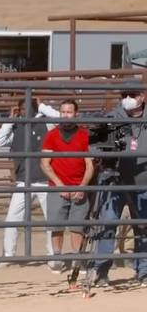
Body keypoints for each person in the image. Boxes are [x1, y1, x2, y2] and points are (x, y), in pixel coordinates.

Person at [88, 90, 147, 287]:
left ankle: (144, 271)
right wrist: (106, 152)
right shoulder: (112, 118)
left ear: (142, 97)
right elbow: (94, 144)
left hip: (142, 182)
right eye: (124, 96)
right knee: (108, 223)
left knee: (142, 227)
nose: (127, 99)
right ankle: (101, 270)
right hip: (113, 180)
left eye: (132, 95)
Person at [0, 97, 59, 266]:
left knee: (50, 220)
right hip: (24, 181)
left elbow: (60, 118)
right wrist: (10, 119)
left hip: (45, 180)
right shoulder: (17, 127)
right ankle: (9, 255)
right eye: (21, 109)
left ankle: (52, 255)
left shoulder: (47, 124)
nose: (24, 111)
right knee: (12, 218)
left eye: (28, 108)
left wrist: (43, 106)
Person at [40, 99, 94, 272]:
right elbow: (45, 163)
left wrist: (82, 186)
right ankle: (57, 258)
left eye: (69, 111)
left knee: (78, 226)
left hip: (79, 186)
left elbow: (90, 165)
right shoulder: (52, 135)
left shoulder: (85, 135)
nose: (65, 115)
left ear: (76, 114)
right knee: (56, 225)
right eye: (63, 111)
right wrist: (60, 185)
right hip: (57, 187)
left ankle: (77, 259)